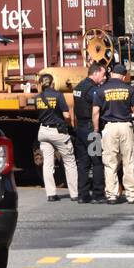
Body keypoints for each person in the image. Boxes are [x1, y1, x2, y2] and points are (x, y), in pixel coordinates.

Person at [91, 61, 134, 205]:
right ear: (123, 76)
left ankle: (112, 195)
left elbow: (95, 112)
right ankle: (132, 195)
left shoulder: (101, 90)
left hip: (109, 128)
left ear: (112, 73)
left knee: (110, 163)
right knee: (129, 161)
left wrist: (96, 129)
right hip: (126, 127)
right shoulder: (129, 90)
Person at [35, 73, 78, 202]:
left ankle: (51, 194)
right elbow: (66, 115)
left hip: (43, 131)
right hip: (57, 131)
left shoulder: (38, 97)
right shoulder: (58, 95)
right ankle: (74, 194)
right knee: (69, 161)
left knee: (47, 163)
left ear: (41, 84)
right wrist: (70, 124)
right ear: (53, 83)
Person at [71, 62, 107, 203]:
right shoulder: (93, 90)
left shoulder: (78, 87)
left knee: (83, 163)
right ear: (96, 73)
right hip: (91, 129)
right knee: (97, 161)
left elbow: (74, 107)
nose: (103, 78)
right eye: (103, 74)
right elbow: (97, 108)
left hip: (80, 128)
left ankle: (82, 195)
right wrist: (97, 129)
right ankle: (98, 194)